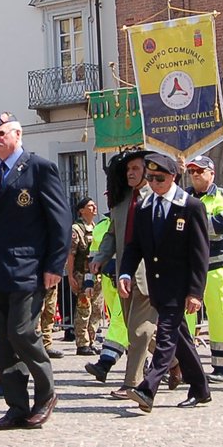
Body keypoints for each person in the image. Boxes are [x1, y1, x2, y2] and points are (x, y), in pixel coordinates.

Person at [0, 112, 69, 429]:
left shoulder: (39, 168)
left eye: (1, 134)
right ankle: (16, 405)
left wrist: (55, 264)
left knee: (22, 332)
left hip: (29, 267)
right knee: (2, 340)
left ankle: (46, 393)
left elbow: (60, 221)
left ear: (17, 134)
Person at [117, 152, 211, 412]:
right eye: (150, 178)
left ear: (173, 177)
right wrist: (125, 273)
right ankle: (200, 389)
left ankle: (148, 389)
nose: (154, 183)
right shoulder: (145, 207)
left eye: (159, 178)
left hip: (179, 287)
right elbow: (134, 246)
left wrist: (195, 291)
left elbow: (200, 254)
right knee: (180, 338)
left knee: (167, 338)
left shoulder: (190, 207)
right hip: (157, 286)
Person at [86, 150, 154, 389]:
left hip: (149, 275)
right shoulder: (122, 201)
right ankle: (177, 363)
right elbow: (112, 234)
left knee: (138, 332)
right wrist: (101, 257)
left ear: (147, 170)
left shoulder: (157, 197)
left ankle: (132, 384)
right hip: (124, 274)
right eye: (127, 170)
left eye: (135, 168)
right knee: (136, 328)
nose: (130, 173)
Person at [184, 155, 223, 380]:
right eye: (191, 171)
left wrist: (191, 225)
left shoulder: (222, 196)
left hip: (216, 266)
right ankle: (184, 365)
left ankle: (221, 367)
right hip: (187, 268)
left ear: (212, 173)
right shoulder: (183, 197)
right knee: (184, 318)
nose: (195, 175)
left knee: (220, 316)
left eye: (200, 170)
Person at [68, 197, 102, 355]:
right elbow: (71, 255)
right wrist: (70, 276)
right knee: (84, 308)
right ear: (81, 210)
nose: (94, 207)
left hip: (96, 275)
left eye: (94, 205)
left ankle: (92, 340)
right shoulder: (76, 229)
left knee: (96, 309)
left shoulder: (97, 227)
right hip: (82, 274)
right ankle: (82, 343)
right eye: (90, 205)